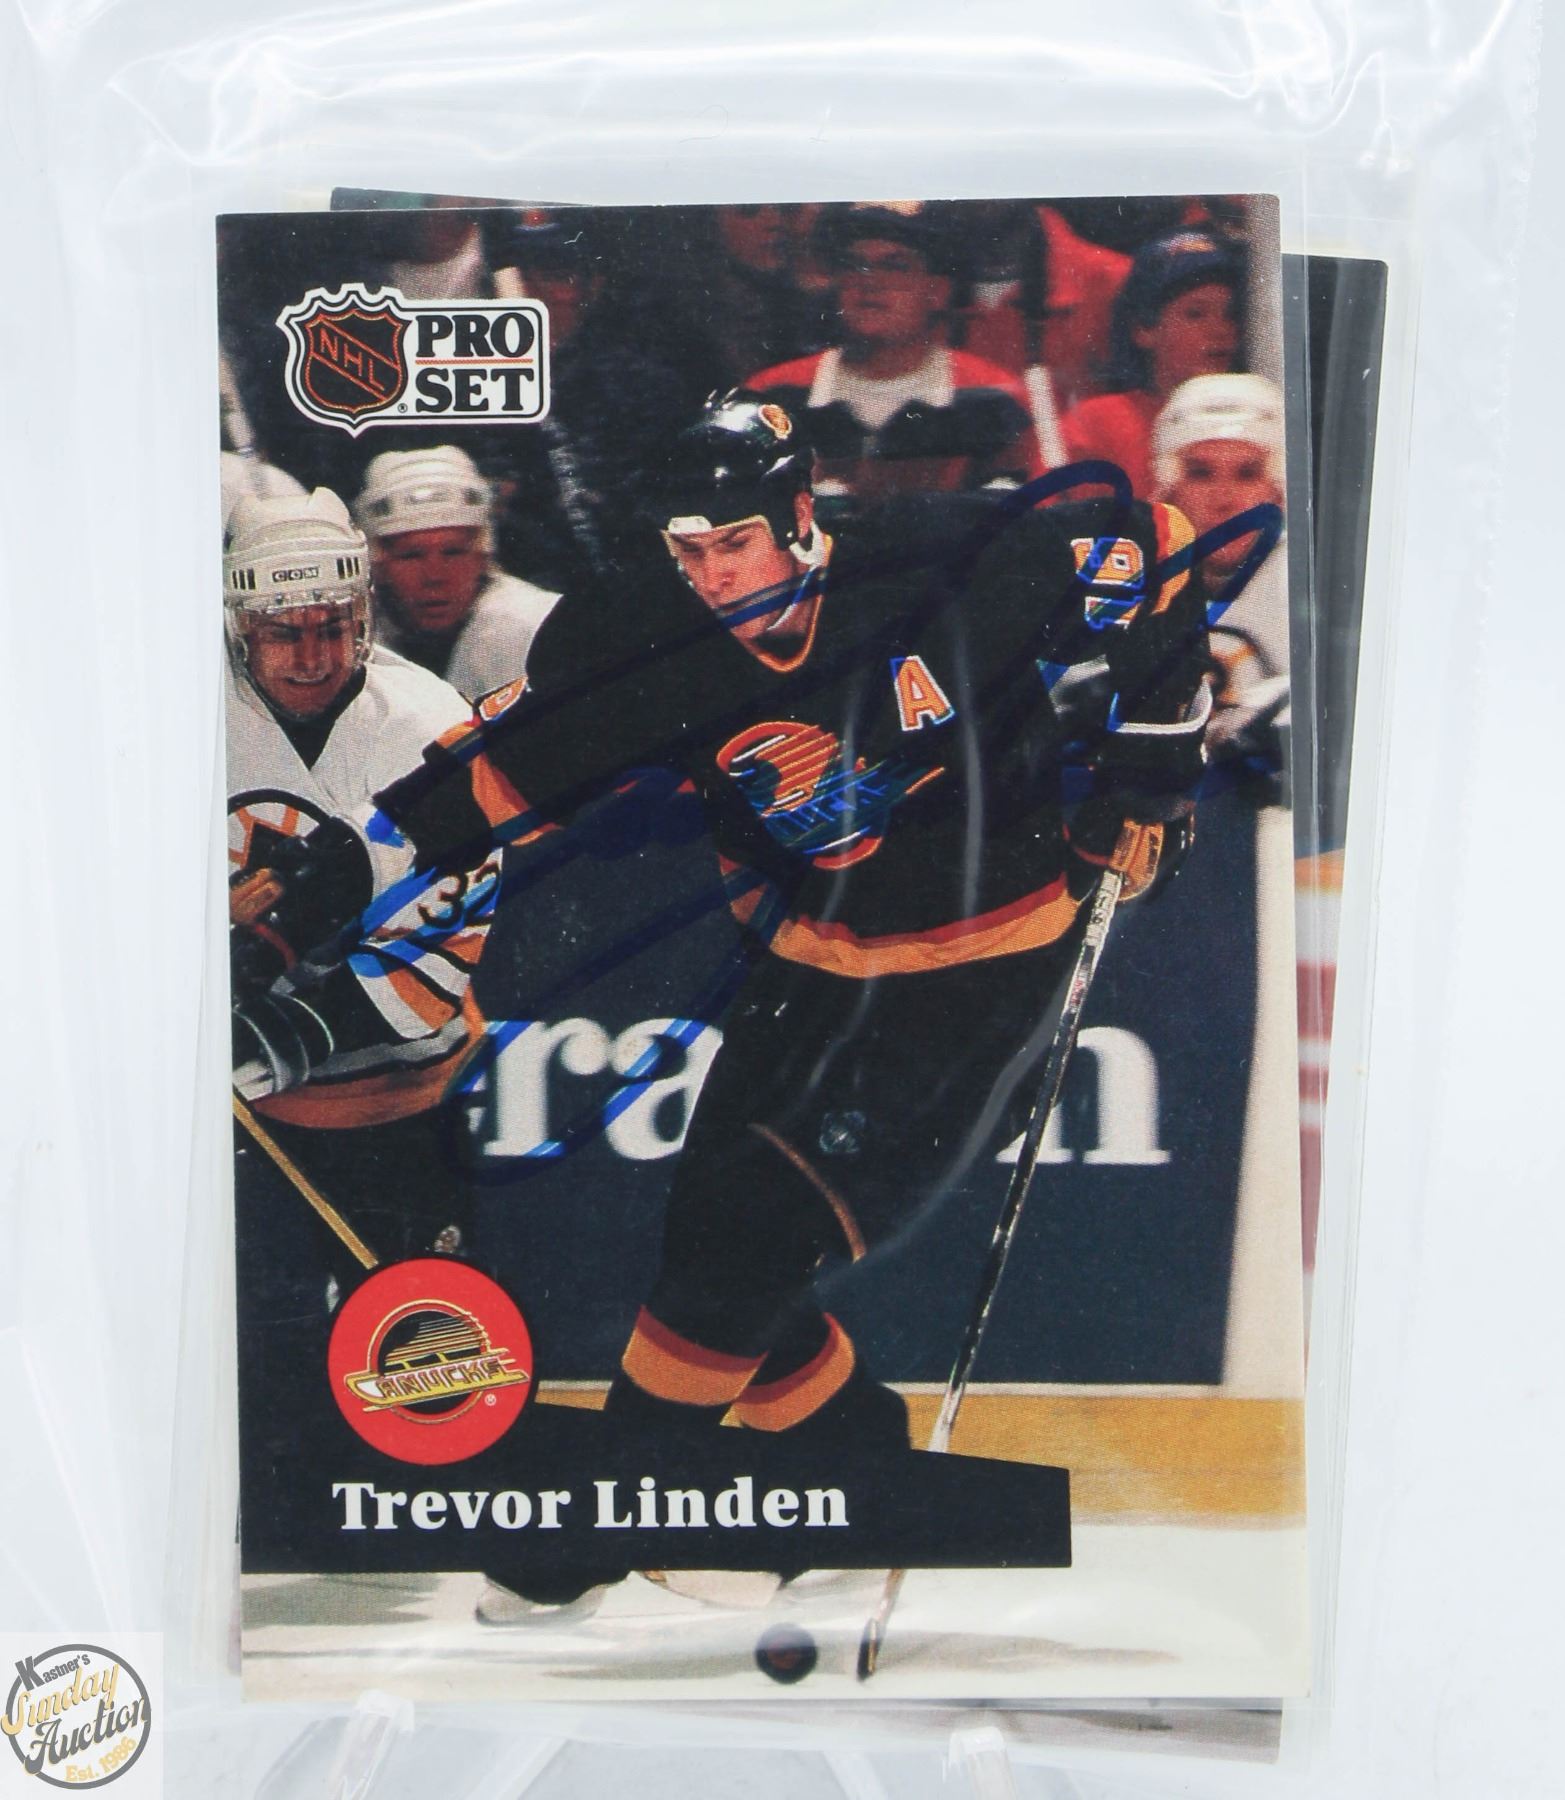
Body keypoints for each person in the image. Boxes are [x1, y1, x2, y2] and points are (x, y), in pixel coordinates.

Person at [230, 395, 1214, 1607]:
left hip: (984, 968)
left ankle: (601, 1523)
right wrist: (319, 890)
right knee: (716, 1255)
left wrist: (1150, 768)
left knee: (747, 1235)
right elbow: (482, 781)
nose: (709, 576)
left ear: (799, 514)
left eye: (733, 544)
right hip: (808, 964)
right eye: (686, 550)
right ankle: (850, 1459)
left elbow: (1158, 544)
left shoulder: (941, 557)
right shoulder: (645, 629)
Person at [226, 488, 497, 1273]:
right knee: (255, 1333)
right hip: (235, 1117)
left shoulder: (428, 723)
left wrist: (285, 1029)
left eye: (333, 627)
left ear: (363, 618)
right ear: (242, 626)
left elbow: (448, 937)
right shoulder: (178, 715)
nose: (313, 656)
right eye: (285, 632)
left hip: (404, 1102)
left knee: (414, 1324)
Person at [743, 203, 1043, 504]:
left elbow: (1027, 517)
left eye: (896, 266)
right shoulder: (771, 395)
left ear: (937, 291)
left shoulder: (994, 400)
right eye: (855, 265)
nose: (870, 282)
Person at [1150, 373, 1288, 768]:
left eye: (1248, 474)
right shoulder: (1126, 575)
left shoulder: (1316, 584)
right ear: (1169, 485)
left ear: (1277, 488)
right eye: (1200, 473)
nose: (1224, 499)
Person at [353, 446, 559, 703]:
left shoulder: (533, 626)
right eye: (411, 555)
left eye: (454, 552)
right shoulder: (348, 639)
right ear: (378, 564)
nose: (435, 576)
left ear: (483, 557)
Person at [1062, 231, 1242, 498]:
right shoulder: (1098, 425)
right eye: (1195, 314)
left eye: (1230, 315)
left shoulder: (1257, 413)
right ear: (1144, 329)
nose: (1220, 330)